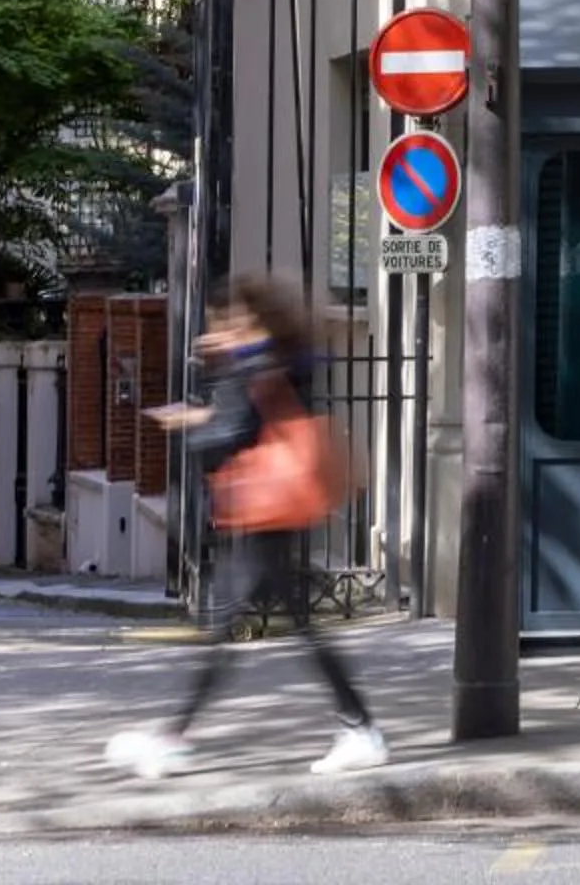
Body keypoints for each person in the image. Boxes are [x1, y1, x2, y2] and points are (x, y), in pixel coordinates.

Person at [104, 274, 387, 778]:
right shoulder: (275, 360)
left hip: (264, 511)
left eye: (222, 321)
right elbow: (253, 420)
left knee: (231, 628)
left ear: (243, 320)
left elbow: (230, 436)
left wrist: (192, 424)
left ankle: (175, 738)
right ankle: (357, 726)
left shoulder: (253, 365)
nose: (215, 331)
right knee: (286, 626)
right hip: (275, 510)